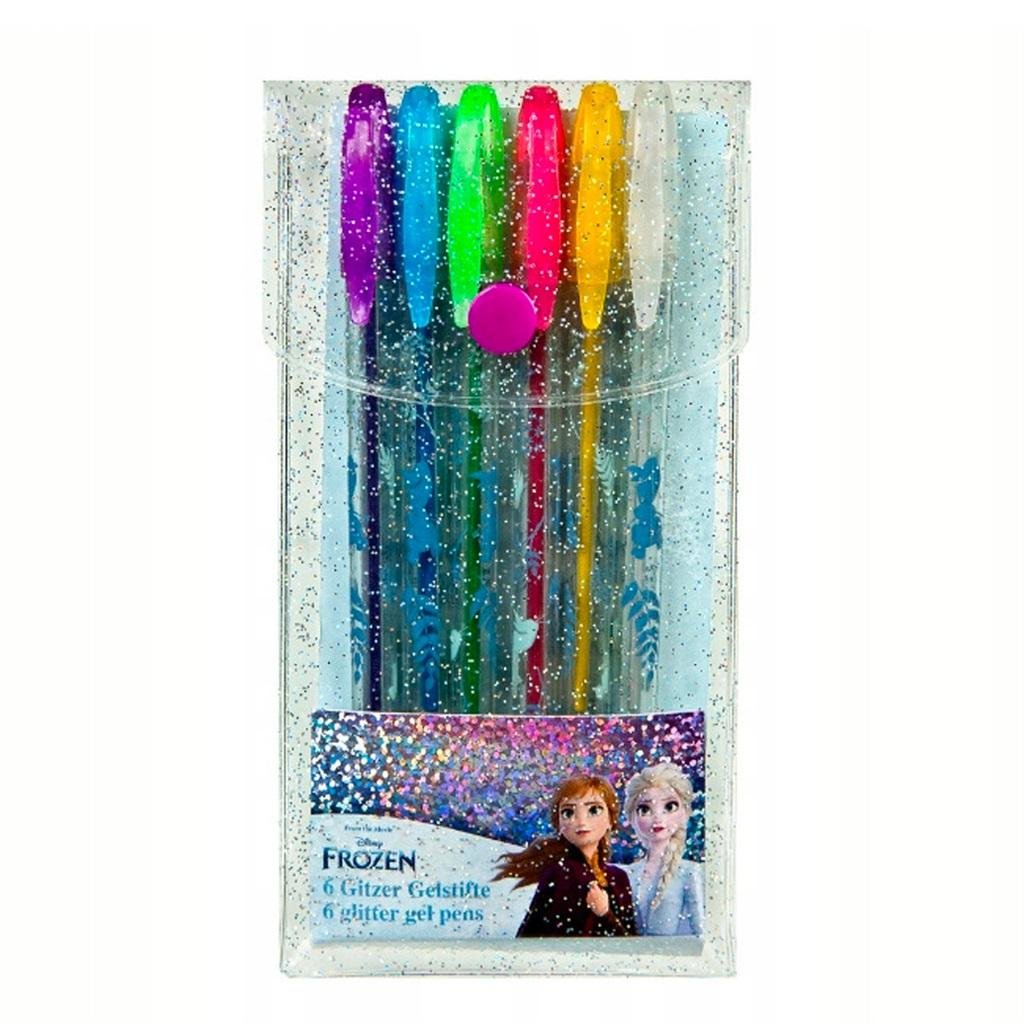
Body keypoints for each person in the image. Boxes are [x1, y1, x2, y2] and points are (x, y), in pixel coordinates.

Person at [494, 774, 636, 937]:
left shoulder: (618, 877)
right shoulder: (561, 873)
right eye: (568, 812)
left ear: (610, 819)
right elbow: (544, 936)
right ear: (559, 823)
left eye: (594, 810)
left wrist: (605, 913)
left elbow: (630, 942)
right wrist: (605, 915)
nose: (581, 821)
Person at [622, 763, 704, 937]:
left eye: (669, 807)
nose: (658, 817)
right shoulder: (627, 874)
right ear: (632, 817)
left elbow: (701, 933)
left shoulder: (690, 872)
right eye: (645, 809)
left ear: (685, 812)